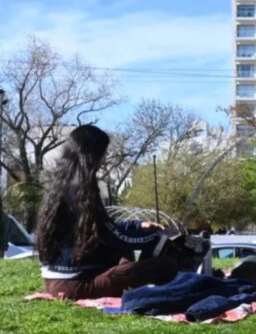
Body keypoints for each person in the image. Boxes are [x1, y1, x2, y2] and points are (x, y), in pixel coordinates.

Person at [35, 125, 178, 299]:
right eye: (102, 153)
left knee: (124, 256)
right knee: (165, 265)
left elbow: (99, 227)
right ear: (92, 154)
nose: (103, 159)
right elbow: (113, 236)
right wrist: (157, 236)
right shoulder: (81, 188)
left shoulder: (59, 185)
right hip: (77, 284)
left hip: (55, 281)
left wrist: (137, 225)